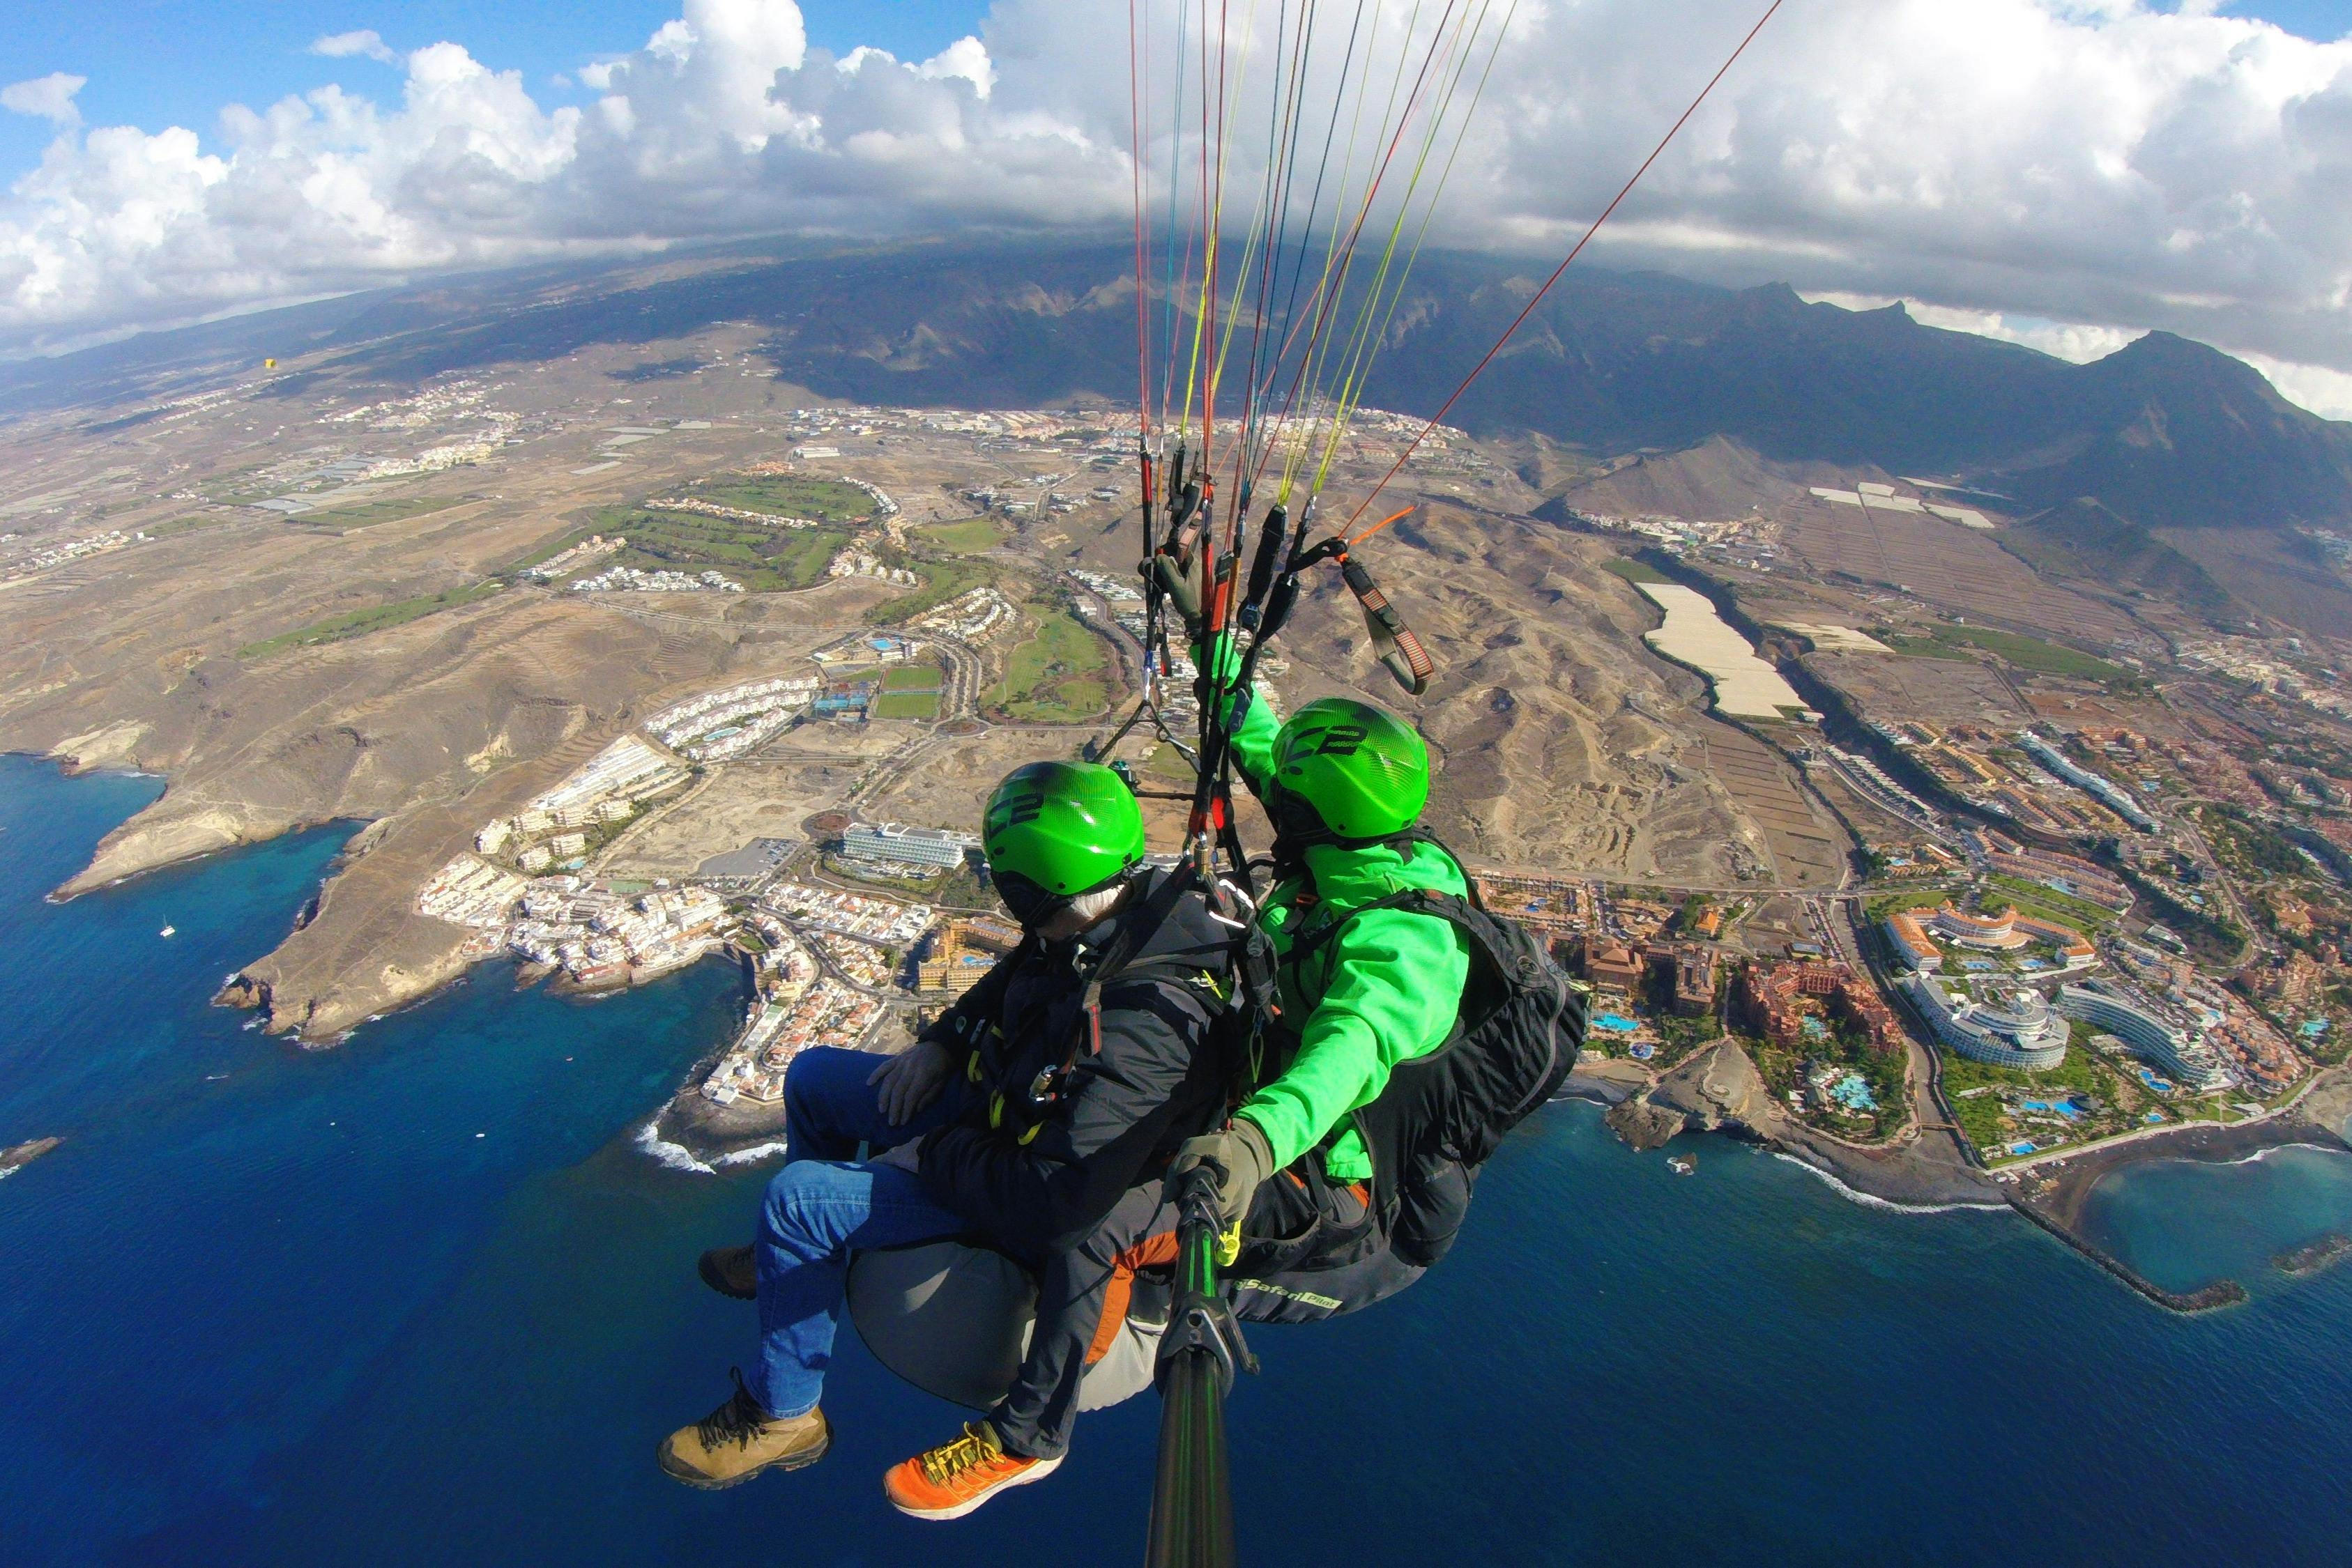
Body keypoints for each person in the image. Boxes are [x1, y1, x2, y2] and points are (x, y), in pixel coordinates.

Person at [659, 759, 1235, 1521]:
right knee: (814, 1079)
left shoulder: (1142, 1027)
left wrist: (935, 1156)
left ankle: (781, 1413)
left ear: (1025, 890)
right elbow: (1023, 969)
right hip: (1003, 1115)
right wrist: (943, 1039)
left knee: (798, 1203)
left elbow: (1054, 1204)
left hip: (1019, 1188)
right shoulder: (1122, 908)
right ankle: (790, 1268)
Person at [1164, 686, 1472, 1256]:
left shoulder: (1407, 937)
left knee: (1122, 1232)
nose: (1276, 794)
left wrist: (1259, 1142)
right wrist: (1218, 657)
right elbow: (1262, 750)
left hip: (1339, 1187)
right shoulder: (1349, 846)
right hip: (1278, 1119)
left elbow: (1352, 1045)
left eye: (1289, 794)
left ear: (1316, 807)